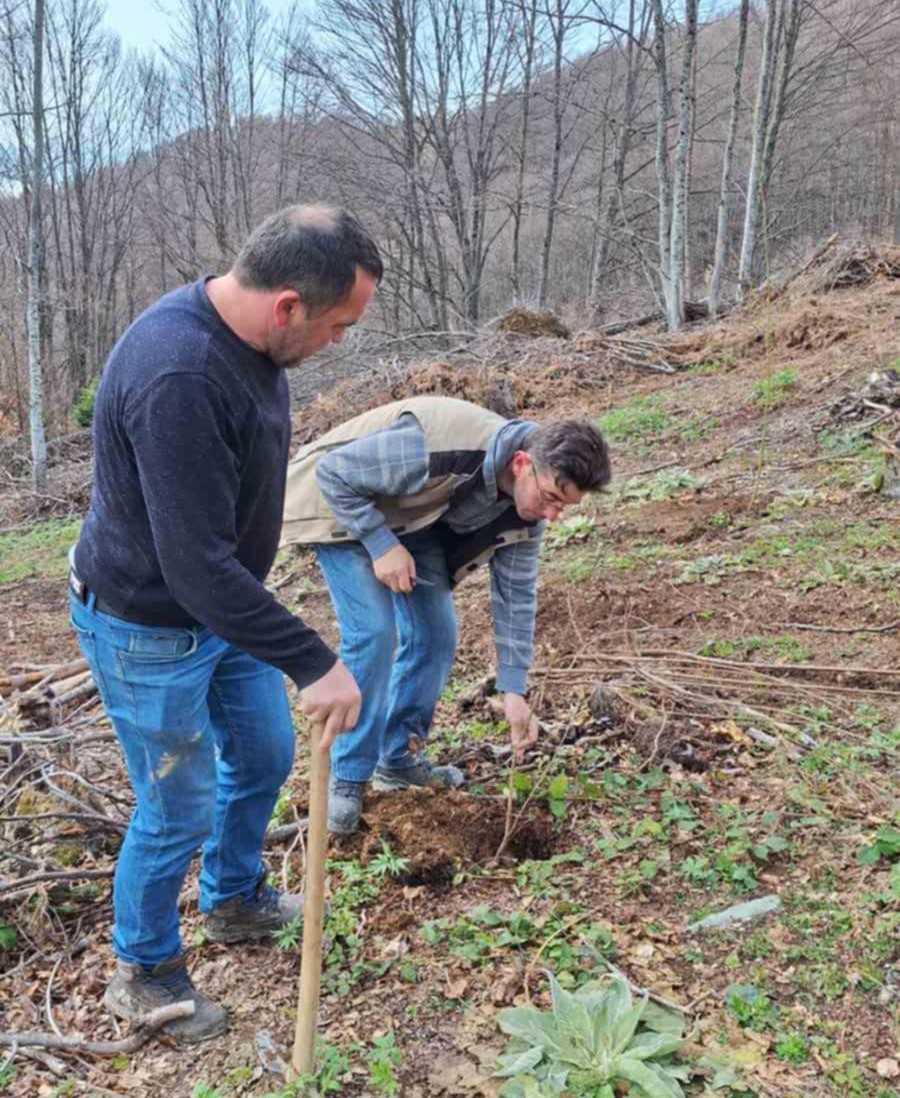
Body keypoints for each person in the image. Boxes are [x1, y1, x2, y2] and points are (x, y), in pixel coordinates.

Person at [68, 205, 382, 1043]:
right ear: (288, 306)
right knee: (178, 802)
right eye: (338, 326)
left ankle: (235, 899)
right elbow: (193, 566)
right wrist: (316, 660)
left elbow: (216, 559)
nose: (339, 343)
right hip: (149, 624)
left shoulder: (250, 340)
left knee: (267, 752)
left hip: (220, 606)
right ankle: (143, 973)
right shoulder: (182, 374)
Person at [282, 396, 611, 836]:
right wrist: (381, 546)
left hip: (414, 521)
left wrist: (513, 689)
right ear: (520, 463)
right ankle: (347, 778)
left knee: (436, 634)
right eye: (550, 498)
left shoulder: (527, 518)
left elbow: (515, 597)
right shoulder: (435, 446)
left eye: (563, 508)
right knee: (375, 633)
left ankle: (397, 758)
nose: (551, 516)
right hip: (339, 508)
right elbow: (334, 473)